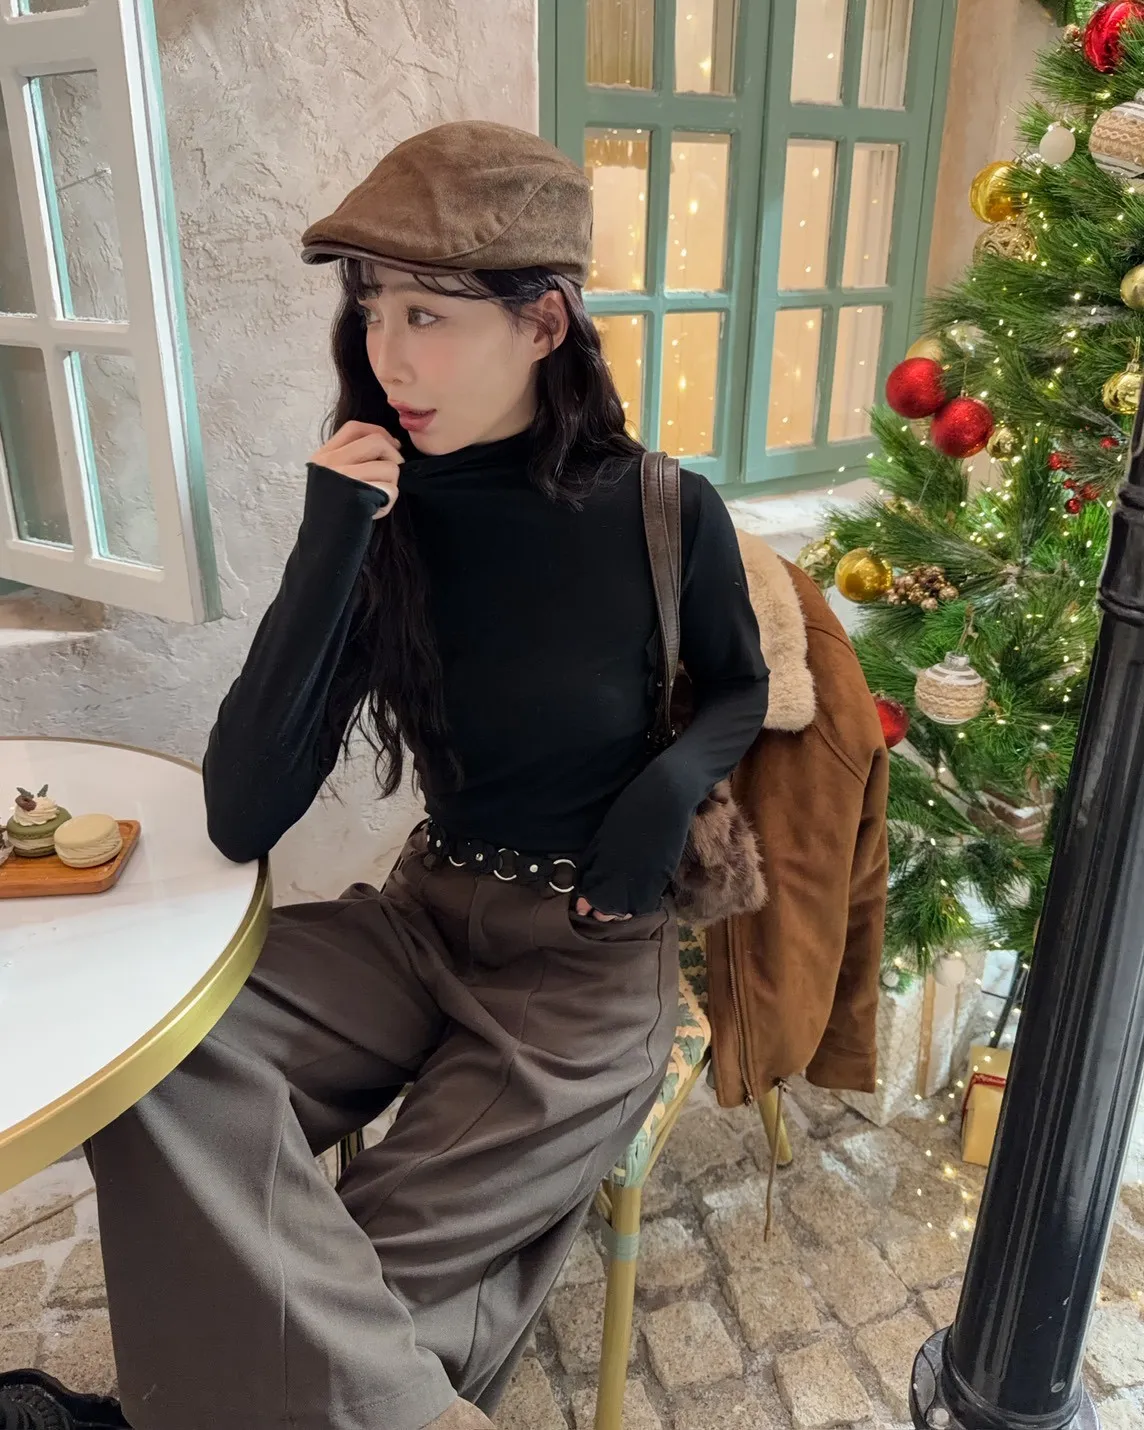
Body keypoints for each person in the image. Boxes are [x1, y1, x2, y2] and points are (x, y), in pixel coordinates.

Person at [85, 120, 769, 1430]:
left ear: (544, 322)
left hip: (582, 973)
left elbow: (740, 687)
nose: (387, 355)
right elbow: (242, 809)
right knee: (152, 1056)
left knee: (355, 1275)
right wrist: (328, 544)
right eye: (371, 309)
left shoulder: (664, 510)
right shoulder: (387, 512)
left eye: (428, 314)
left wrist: (668, 788)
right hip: (422, 919)